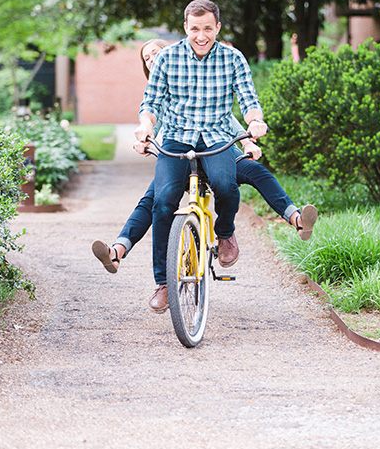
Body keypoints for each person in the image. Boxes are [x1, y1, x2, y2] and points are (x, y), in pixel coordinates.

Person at [92, 37, 317, 312]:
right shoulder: (157, 96)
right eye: (146, 58)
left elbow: (225, 120)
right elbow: (150, 125)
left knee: (255, 173)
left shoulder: (189, 78)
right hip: (178, 157)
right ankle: (118, 250)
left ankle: (292, 217)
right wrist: (144, 141)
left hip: (218, 151)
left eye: (155, 53)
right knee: (154, 201)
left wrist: (247, 143)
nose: (151, 60)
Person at [128, 0, 269, 312]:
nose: (201, 35)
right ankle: (163, 284)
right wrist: (144, 127)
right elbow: (150, 103)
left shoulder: (232, 57)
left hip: (217, 138)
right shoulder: (168, 60)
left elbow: (248, 98)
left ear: (217, 27)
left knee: (225, 184)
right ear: (185, 28)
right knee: (163, 202)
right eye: (194, 29)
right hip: (177, 139)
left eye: (208, 28)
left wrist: (255, 121)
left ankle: (226, 234)